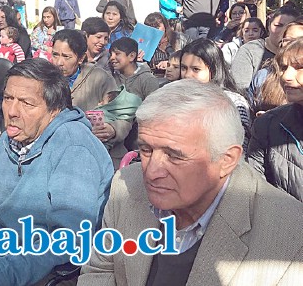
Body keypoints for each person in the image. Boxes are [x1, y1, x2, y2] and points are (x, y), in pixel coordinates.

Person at [78, 79, 303, 286]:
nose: (151, 171)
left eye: (174, 155)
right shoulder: (126, 185)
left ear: (227, 160)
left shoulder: (290, 233)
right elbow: (100, 270)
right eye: (146, 149)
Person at [0, 59, 113, 286]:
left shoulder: (74, 147)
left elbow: (66, 241)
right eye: (7, 98)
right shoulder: (12, 137)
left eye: (27, 103)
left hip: (45, 269)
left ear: (55, 110)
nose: (12, 111)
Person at [51, 29, 133, 168]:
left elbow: (123, 115)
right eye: (55, 55)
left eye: (66, 57)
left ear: (81, 58)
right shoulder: (45, 79)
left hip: (98, 155)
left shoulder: (100, 78)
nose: (59, 62)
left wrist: (113, 129)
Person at [247, 37, 303, 202]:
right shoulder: (266, 125)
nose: (286, 76)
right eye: (284, 67)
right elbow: (255, 190)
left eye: (299, 67)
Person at [180, 38, 251, 150]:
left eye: (196, 69)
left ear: (213, 70)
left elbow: (241, 145)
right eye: (184, 68)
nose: (187, 75)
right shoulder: (177, 98)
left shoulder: (233, 102)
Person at [231, 5, 300, 90]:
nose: (283, 31)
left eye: (289, 26)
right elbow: (239, 89)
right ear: (268, 27)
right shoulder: (250, 50)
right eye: (278, 25)